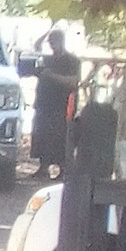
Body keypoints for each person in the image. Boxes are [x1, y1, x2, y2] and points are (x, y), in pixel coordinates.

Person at [31, 28, 82, 179]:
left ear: (61, 42)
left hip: (62, 105)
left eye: (54, 42)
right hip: (44, 103)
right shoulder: (47, 60)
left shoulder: (72, 61)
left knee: (60, 137)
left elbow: (73, 82)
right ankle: (43, 167)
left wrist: (51, 76)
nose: (52, 46)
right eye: (50, 43)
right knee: (41, 134)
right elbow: (36, 48)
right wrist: (45, 32)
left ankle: (63, 168)